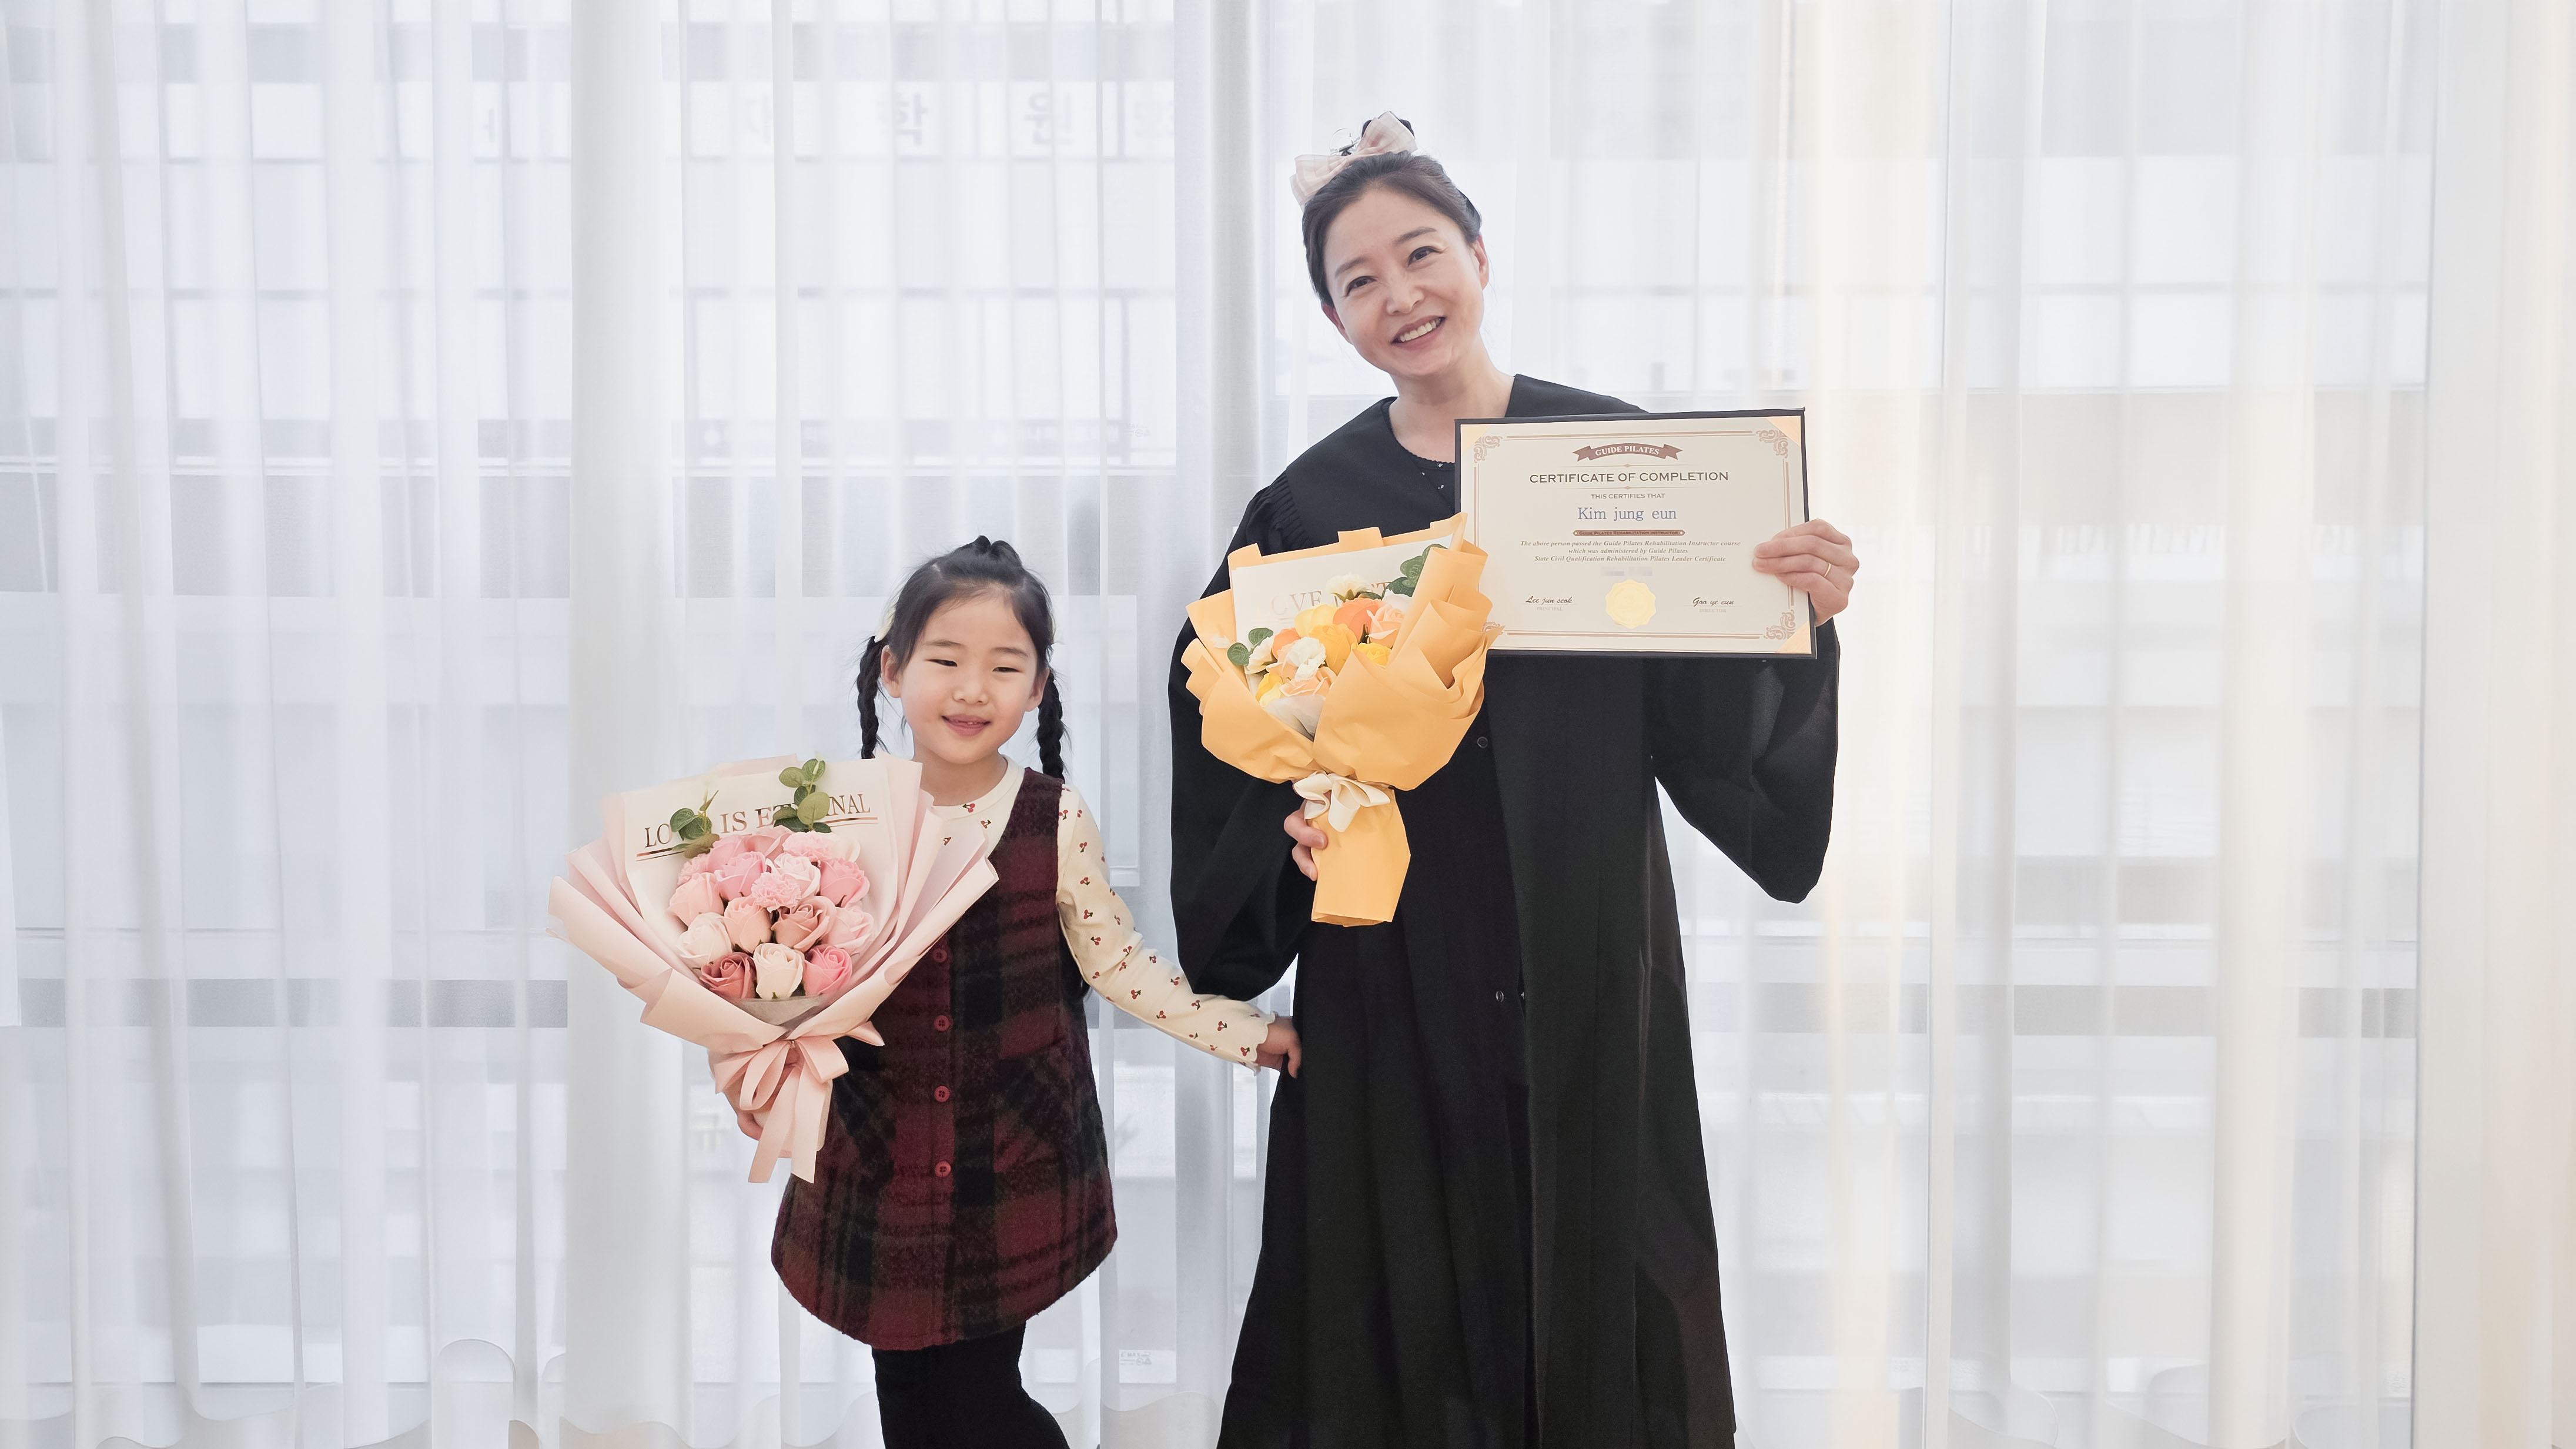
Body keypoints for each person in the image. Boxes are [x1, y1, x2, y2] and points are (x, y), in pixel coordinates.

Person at [1168, 116, 1859, 1448]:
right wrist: (1289, 825)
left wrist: (1795, 616)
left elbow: (1704, 719)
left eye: (1421, 253)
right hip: (1397, 956)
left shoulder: (1614, 455)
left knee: (1602, 1254)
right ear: (1332, 320)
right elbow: (1229, 714)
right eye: (1359, 279)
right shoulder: (1307, 505)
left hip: (1584, 939)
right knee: (1397, 1282)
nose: (1399, 293)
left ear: (1480, 258)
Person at [771, 538, 1303, 1449]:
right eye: (945, 660)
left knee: (981, 1399)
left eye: (1004, 666)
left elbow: (1116, 961)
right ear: (892, 670)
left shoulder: (1051, 816)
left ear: (1038, 686)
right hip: (878, 1153)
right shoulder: (832, 813)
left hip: (1005, 1157)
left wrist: (1246, 1033)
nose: (972, 689)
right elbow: (783, 970)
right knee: (907, 1392)